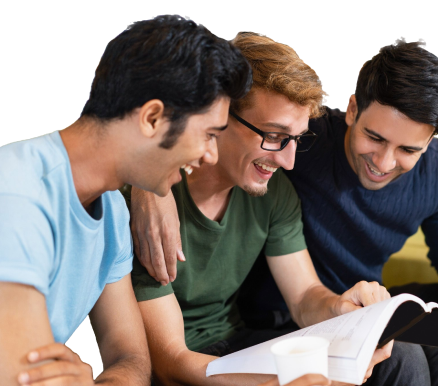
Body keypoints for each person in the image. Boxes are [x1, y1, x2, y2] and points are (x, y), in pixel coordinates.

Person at [134, 37, 438, 385]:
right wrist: (148, 178)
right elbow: (212, 76)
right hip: (278, 316)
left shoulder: (432, 165)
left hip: (357, 301)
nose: (385, 163)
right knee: (410, 355)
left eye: (408, 149)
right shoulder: (301, 138)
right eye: (374, 138)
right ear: (352, 111)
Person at [123, 32, 421, 386]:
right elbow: (170, 362)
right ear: (220, 115)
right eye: (275, 136)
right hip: (187, 365)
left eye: (295, 139)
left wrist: (340, 308)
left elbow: (305, 297)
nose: (289, 161)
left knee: (400, 357)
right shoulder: (143, 204)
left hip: (238, 345)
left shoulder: (274, 193)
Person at [0, 15, 252, 386]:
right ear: (152, 117)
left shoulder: (114, 212)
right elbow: (26, 379)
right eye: (209, 134)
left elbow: (131, 357)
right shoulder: (17, 193)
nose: (210, 155)